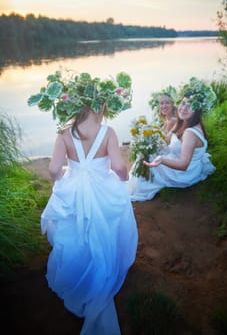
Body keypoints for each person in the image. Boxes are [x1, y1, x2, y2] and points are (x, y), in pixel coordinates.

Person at [28, 71, 138, 335]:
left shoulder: (65, 134)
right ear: (101, 105)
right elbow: (120, 167)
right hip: (102, 187)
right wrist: (121, 177)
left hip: (75, 186)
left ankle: (79, 273)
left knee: (76, 230)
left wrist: (68, 173)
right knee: (105, 226)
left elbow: (54, 169)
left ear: (74, 107)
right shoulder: (108, 132)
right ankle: (102, 267)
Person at [127, 77, 216, 202]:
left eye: (190, 106)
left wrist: (161, 159)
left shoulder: (190, 133)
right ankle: (134, 182)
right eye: (183, 103)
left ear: (198, 110)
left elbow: (183, 165)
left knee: (148, 158)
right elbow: (166, 141)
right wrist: (147, 143)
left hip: (183, 174)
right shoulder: (182, 122)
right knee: (145, 154)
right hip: (181, 160)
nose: (184, 108)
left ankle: (136, 187)